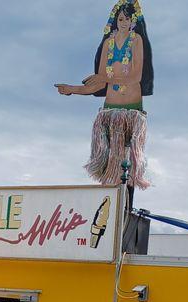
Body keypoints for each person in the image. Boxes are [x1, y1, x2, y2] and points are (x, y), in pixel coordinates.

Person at [55, 0, 154, 206]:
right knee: (110, 168)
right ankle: (110, 208)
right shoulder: (108, 43)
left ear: (133, 21)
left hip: (132, 113)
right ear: (115, 20)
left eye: (128, 19)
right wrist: (72, 89)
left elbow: (135, 77)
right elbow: (98, 82)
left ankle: (126, 209)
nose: (124, 23)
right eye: (120, 19)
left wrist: (106, 79)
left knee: (129, 166)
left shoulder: (136, 41)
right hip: (109, 113)